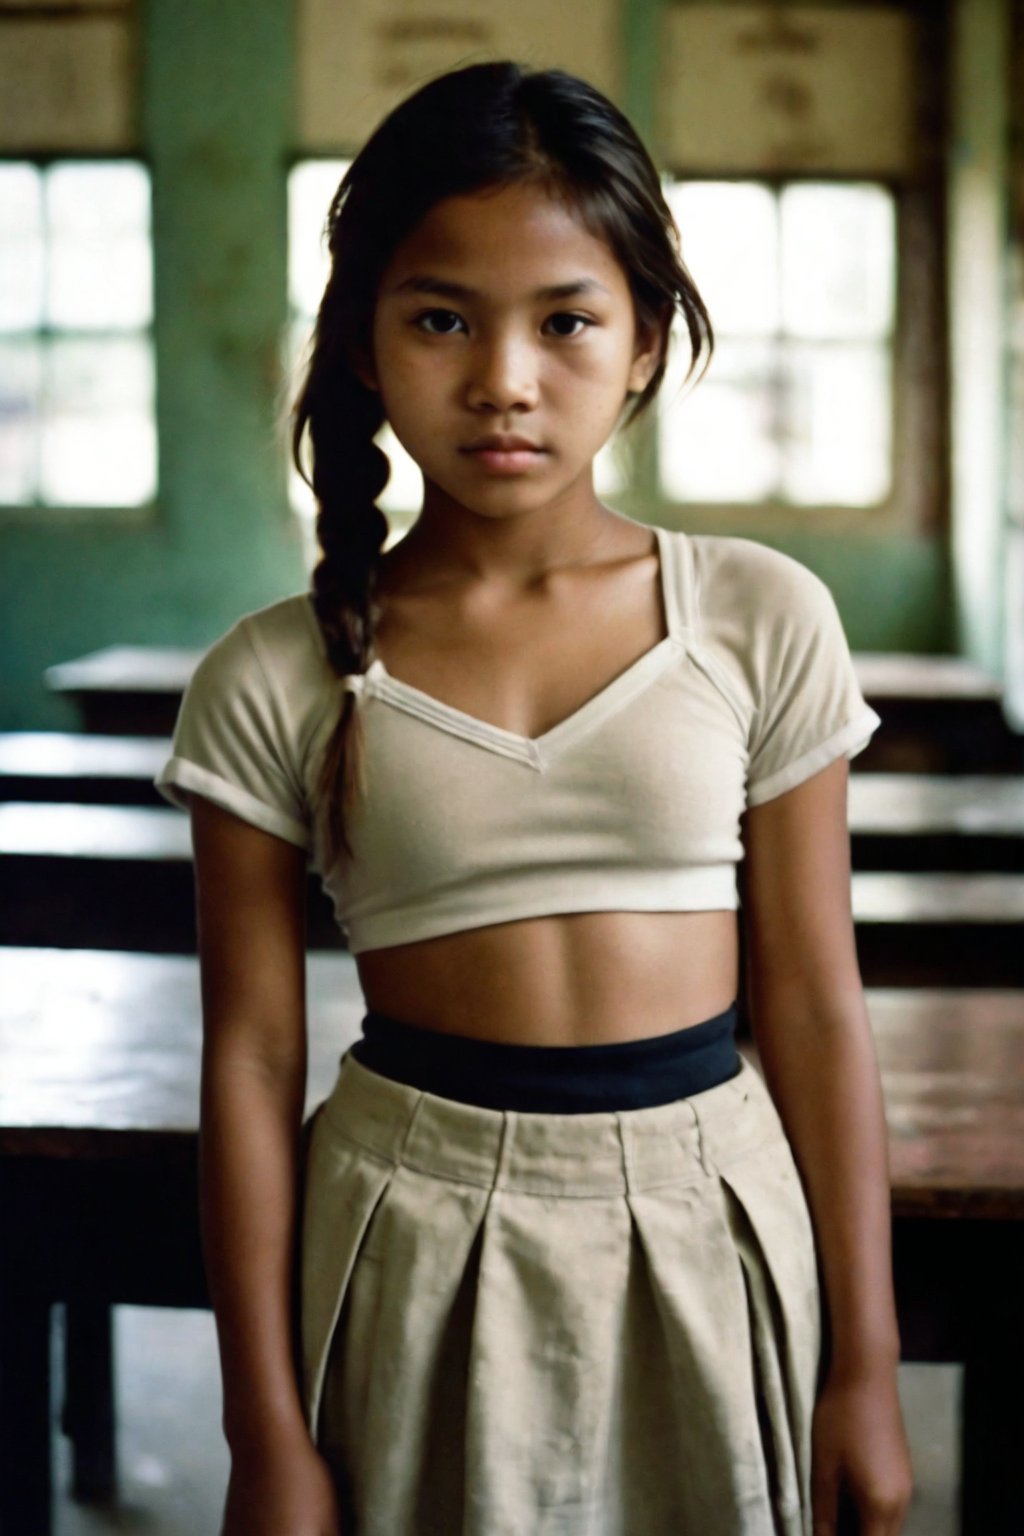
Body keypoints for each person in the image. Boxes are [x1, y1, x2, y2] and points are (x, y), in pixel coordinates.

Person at [155, 59, 913, 1536]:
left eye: (566, 320)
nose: (504, 376)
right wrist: (263, 1433)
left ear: (643, 343)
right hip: (410, 1222)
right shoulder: (277, 675)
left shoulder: (754, 615)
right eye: (441, 317)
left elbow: (818, 1004)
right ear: (366, 344)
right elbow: (248, 1064)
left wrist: (864, 1368)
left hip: (712, 1209)